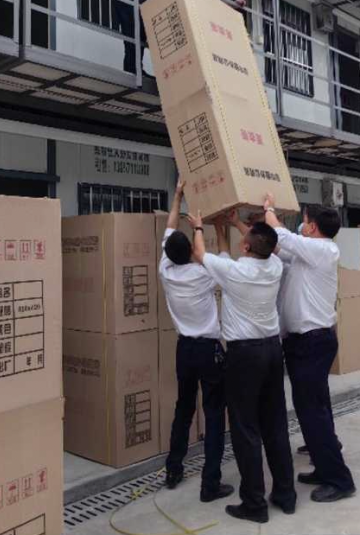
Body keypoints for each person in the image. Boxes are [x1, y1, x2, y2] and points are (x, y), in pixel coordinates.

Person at [191, 207, 296, 523]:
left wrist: (198, 226)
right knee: (275, 424)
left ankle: (254, 504)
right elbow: (248, 249)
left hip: (245, 356)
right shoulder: (273, 265)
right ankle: (285, 495)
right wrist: (229, 224)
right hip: (272, 351)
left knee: (245, 428)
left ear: (247, 246)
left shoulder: (237, 272)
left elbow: (201, 254)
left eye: (246, 236)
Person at [262, 196, 356, 503]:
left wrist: (269, 209)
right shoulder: (308, 254)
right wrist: (241, 225)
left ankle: (339, 480)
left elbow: (282, 235)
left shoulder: (323, 249)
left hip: (312, 342)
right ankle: (323, 466)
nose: (300, 225)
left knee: (312, 413)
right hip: (304, 342)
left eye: (303, 221)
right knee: (312, 409)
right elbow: (276, 247)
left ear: (312, 227)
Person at [158, 180, 232, 501]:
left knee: (184, 408)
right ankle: (210, 484)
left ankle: (173, 469)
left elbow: (170, 226)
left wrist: (177, 196)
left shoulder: (165, 270)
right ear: (190, 251)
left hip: (184, 350)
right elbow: (222, 257)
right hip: (208, 350)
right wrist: (213, 227)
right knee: (214, 413)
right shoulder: (203, 275)